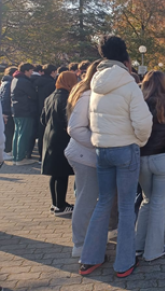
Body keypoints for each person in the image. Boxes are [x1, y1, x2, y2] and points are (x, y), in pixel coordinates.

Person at [79, 36, 152, 278]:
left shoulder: (95, 85)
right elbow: (143, 122)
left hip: (103, 149)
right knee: (125, 206)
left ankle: (89, 258)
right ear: (126, 58)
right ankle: (124, 263)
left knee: (103, 202)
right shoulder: (129, 84)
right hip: (125, 149)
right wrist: (139, 142)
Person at [136, 71, 165, 262]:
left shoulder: (138, 103)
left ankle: (138, 245)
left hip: (141, 157)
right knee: (157, 203)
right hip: (163, 157)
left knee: (146, 201)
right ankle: (154, 249)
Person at [65, 60, 101, 257]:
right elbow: (75, 128)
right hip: (84, 155)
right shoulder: (88, 95)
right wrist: (98, 143)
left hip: (83, 154)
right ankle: (79, 243)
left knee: (85, 197)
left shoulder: (85, 91)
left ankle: (83, 239)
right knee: (85, 199)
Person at [41, 72, 77, 217]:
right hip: (61, 138)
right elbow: (67, 121)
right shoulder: (65, 99)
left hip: (49, 136)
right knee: (62, 173)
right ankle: (61, 206)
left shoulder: (50, 97)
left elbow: (43, 119)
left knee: (54, 174)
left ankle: (56, 203)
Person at [11, 63, 38, 166]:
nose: (32, 73)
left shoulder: (15, 79)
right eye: (31, 70)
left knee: (17, 133)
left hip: (17, 110)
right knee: (23, 134)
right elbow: (33, 95)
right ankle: (21, 158)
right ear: (26, 71)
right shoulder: (24, 81)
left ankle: (16, 157)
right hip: (25, 110)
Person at [34, 65, 57, 163]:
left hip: (38, 110)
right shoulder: (52, 84)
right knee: (48, 136)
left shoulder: (36, 83)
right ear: (52, 72)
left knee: (41, 135)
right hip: (49, 111)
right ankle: (46, 157)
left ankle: (40, 157)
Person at [1, 67, 17, 159]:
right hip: (7, 111)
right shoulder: (8, 84)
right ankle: (7, 151)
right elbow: (5, 99)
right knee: (8, 131)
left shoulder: (4, 83)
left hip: (5, 111)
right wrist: (5, 113)